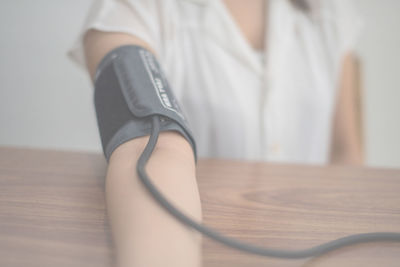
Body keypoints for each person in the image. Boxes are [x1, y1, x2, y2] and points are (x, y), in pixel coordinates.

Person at [67, 0, 364, 266]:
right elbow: (150, 144)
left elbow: (345, 152)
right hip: (200, 249)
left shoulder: (332, 10)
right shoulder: (133, 7)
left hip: (315, 248)